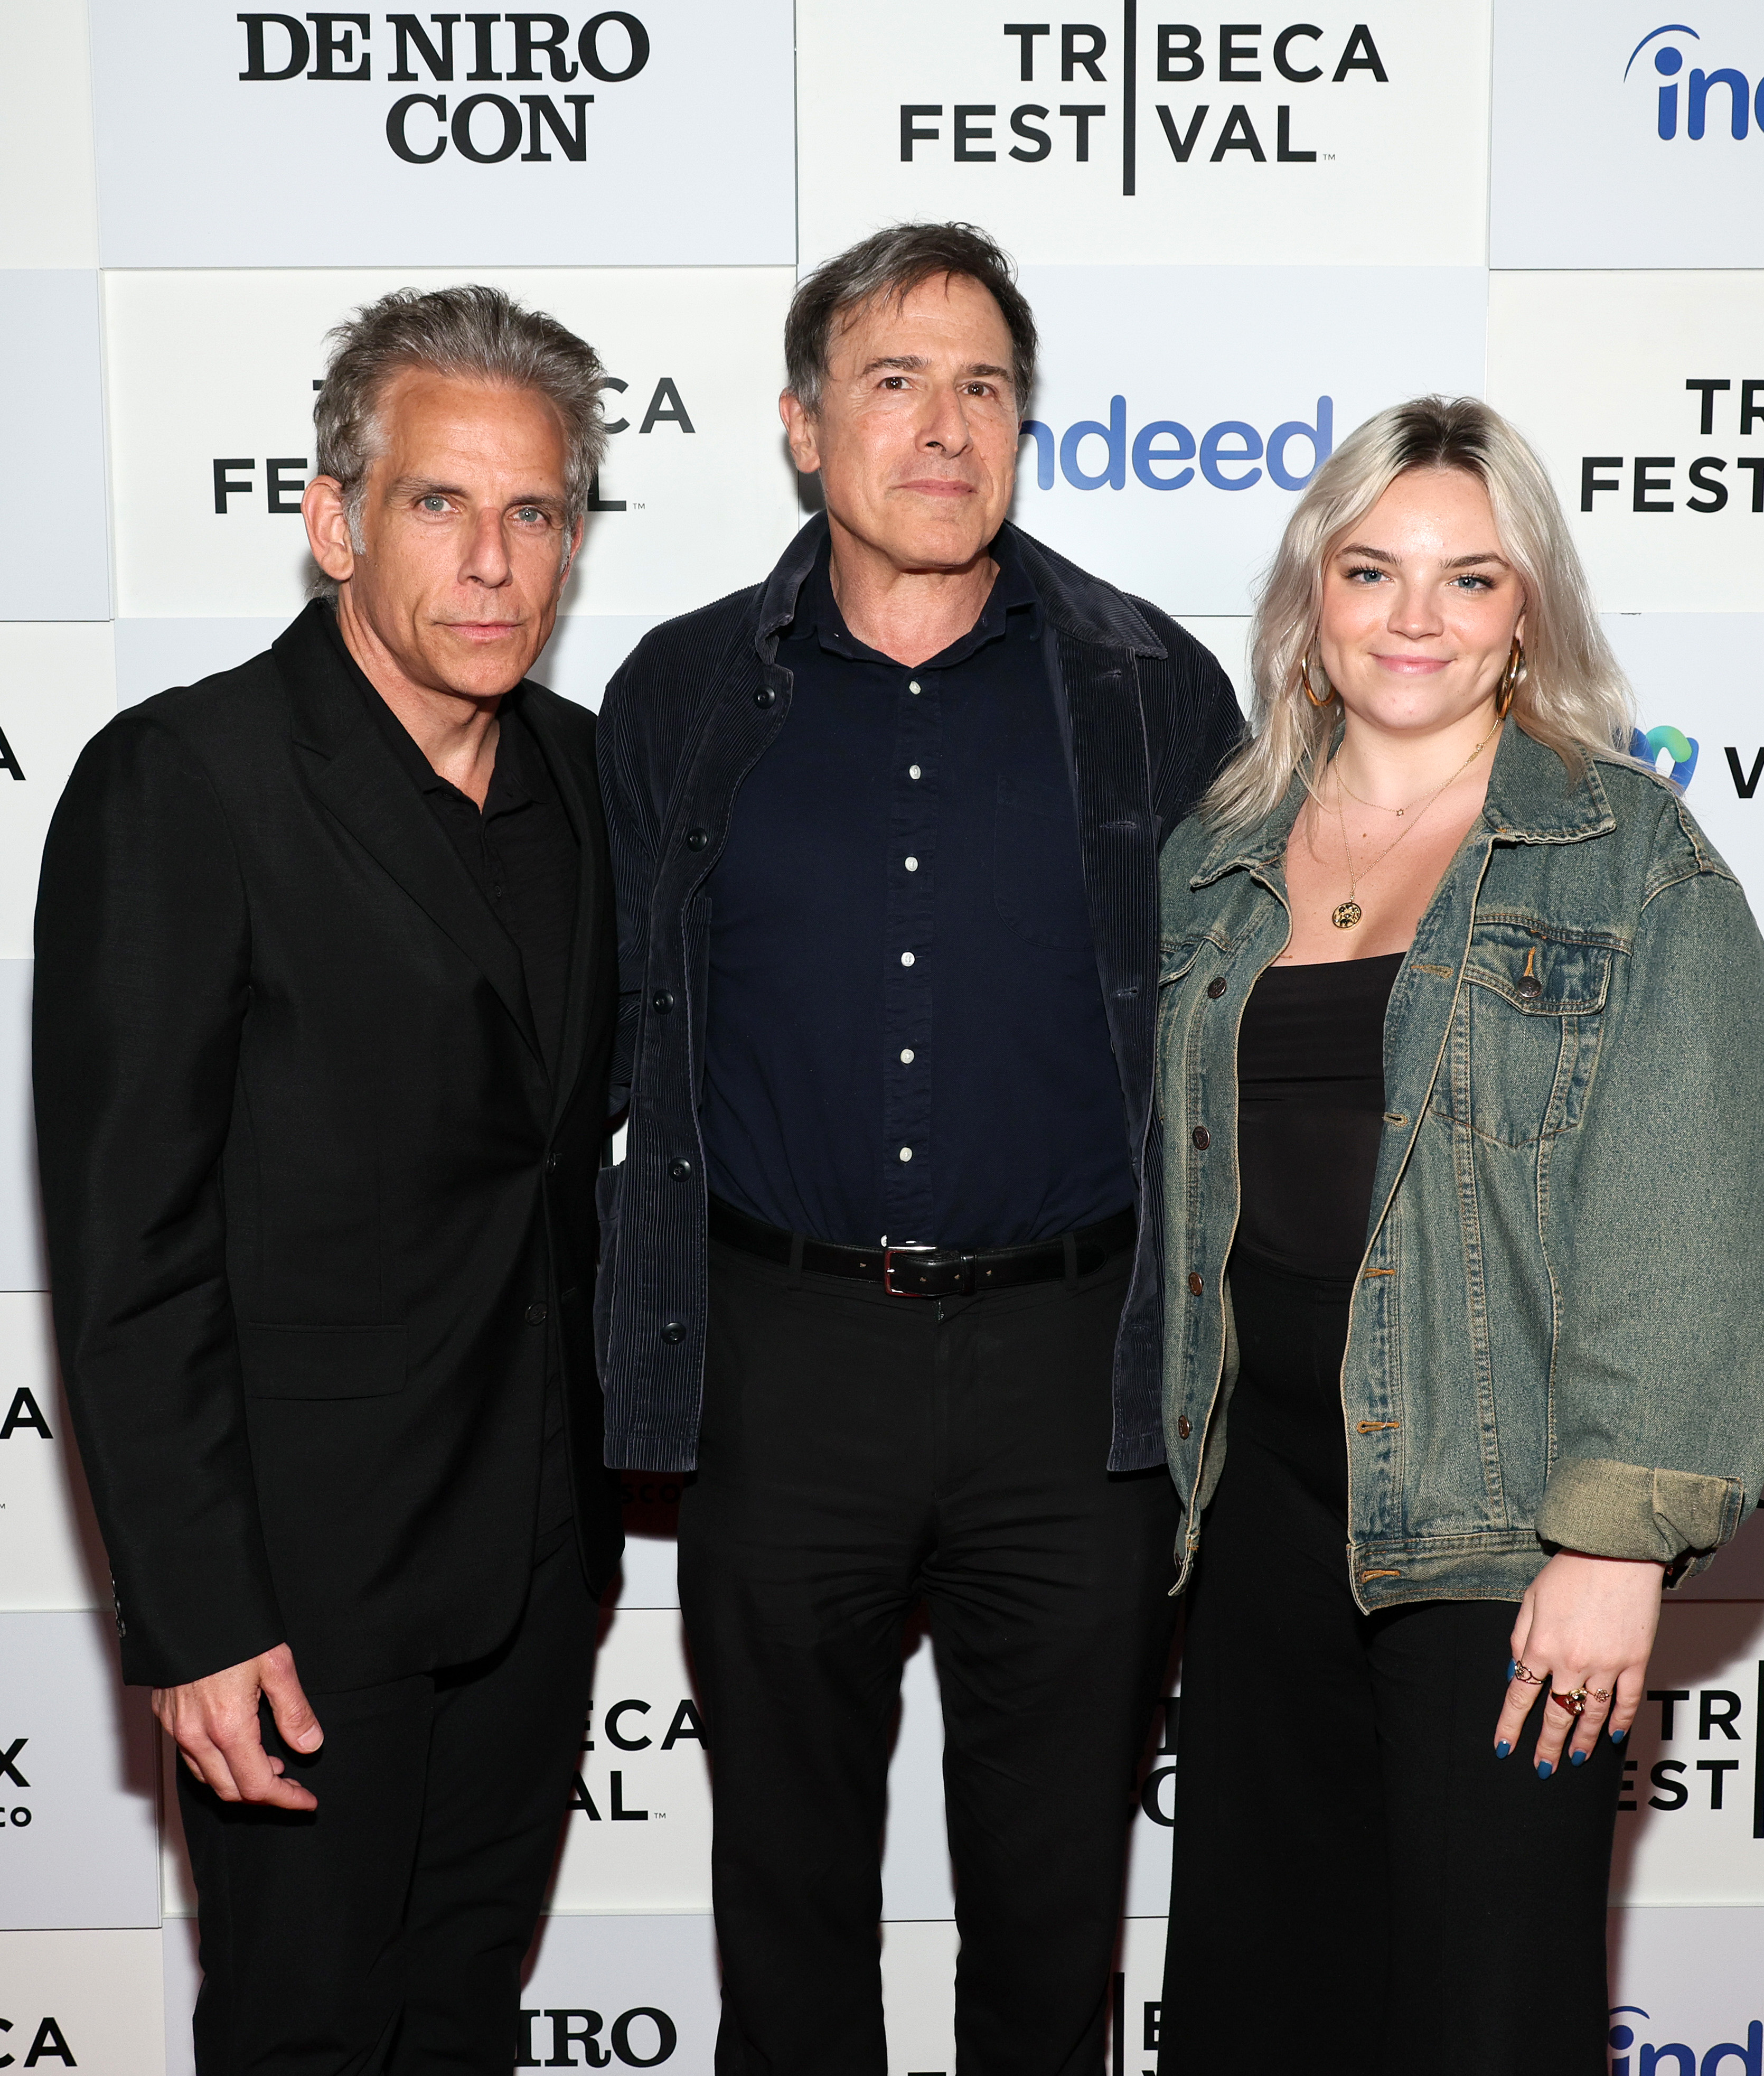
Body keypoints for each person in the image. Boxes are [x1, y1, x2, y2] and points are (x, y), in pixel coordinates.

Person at [592, 222, 1246, 2073]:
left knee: (1053, 1920)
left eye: (984, 386)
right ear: (805, 428)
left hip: (1074, 1372)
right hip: (779, 1364)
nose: (944, 426)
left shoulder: (1148, 687)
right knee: (785, 1913)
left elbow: (1236, 1038)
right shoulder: (680, 693)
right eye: (894, 381)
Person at [1148, 396, 1764, 2072]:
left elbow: (1702, 1209)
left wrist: (1615, 1543)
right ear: (1312, 597)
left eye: (1470, 579)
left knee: (1486, 2013)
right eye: (1371, 571)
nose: (1415, 620)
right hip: (1254, 1518)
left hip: (1504, 1528)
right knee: (1265, 1993)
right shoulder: (1215, 857)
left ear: (1530, 615)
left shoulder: (1628, 858)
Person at [32, 285, 622, 2073]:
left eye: (535, 512)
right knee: (302, 2031)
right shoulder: (183, 783)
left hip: (532, 1555)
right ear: (333, 517)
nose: (493, 562)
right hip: (299, 1588)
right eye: (441, 504)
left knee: (460, 2019)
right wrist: (198, 1617)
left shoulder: (588, 776)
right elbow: (126, 1248)